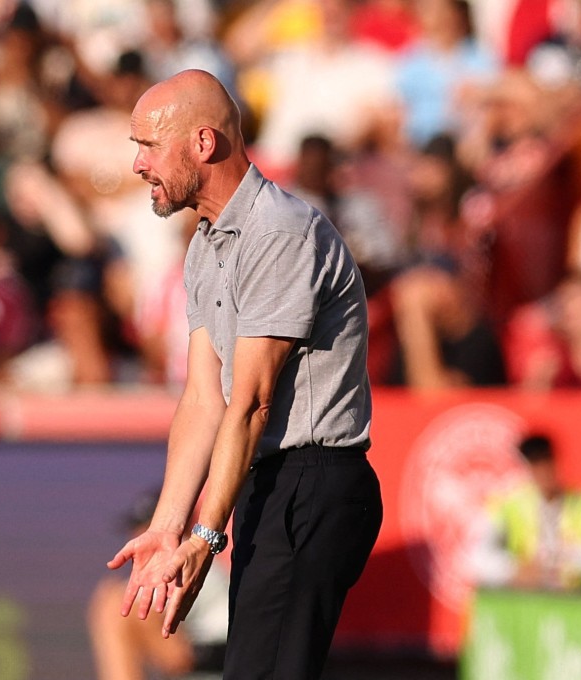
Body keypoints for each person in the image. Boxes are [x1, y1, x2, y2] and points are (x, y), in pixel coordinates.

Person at [107, 69, 383, 679]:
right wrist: (167, 526)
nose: (138, 166)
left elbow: (251, 403)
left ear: (203, 144)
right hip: (269, 482)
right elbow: (203, 399)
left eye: (148, 146)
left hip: (312, 480)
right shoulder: (208, 244)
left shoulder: (280, 233)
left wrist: (207, 538)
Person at [89, 487, 229, 680]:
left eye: (143, 529)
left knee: (113, 607)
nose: (134, 538)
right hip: (209, 660)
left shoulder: (185, 558)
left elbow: (176, 658)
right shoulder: (195, 559)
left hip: (220, 664)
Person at [470, 433, 581, 590]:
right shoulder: (505, 506)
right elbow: (475, 557)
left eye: (546, 462)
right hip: (526, 601)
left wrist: (569, 560)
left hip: (578, 600)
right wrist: (514, 569)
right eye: (535, 464)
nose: (543, 471)